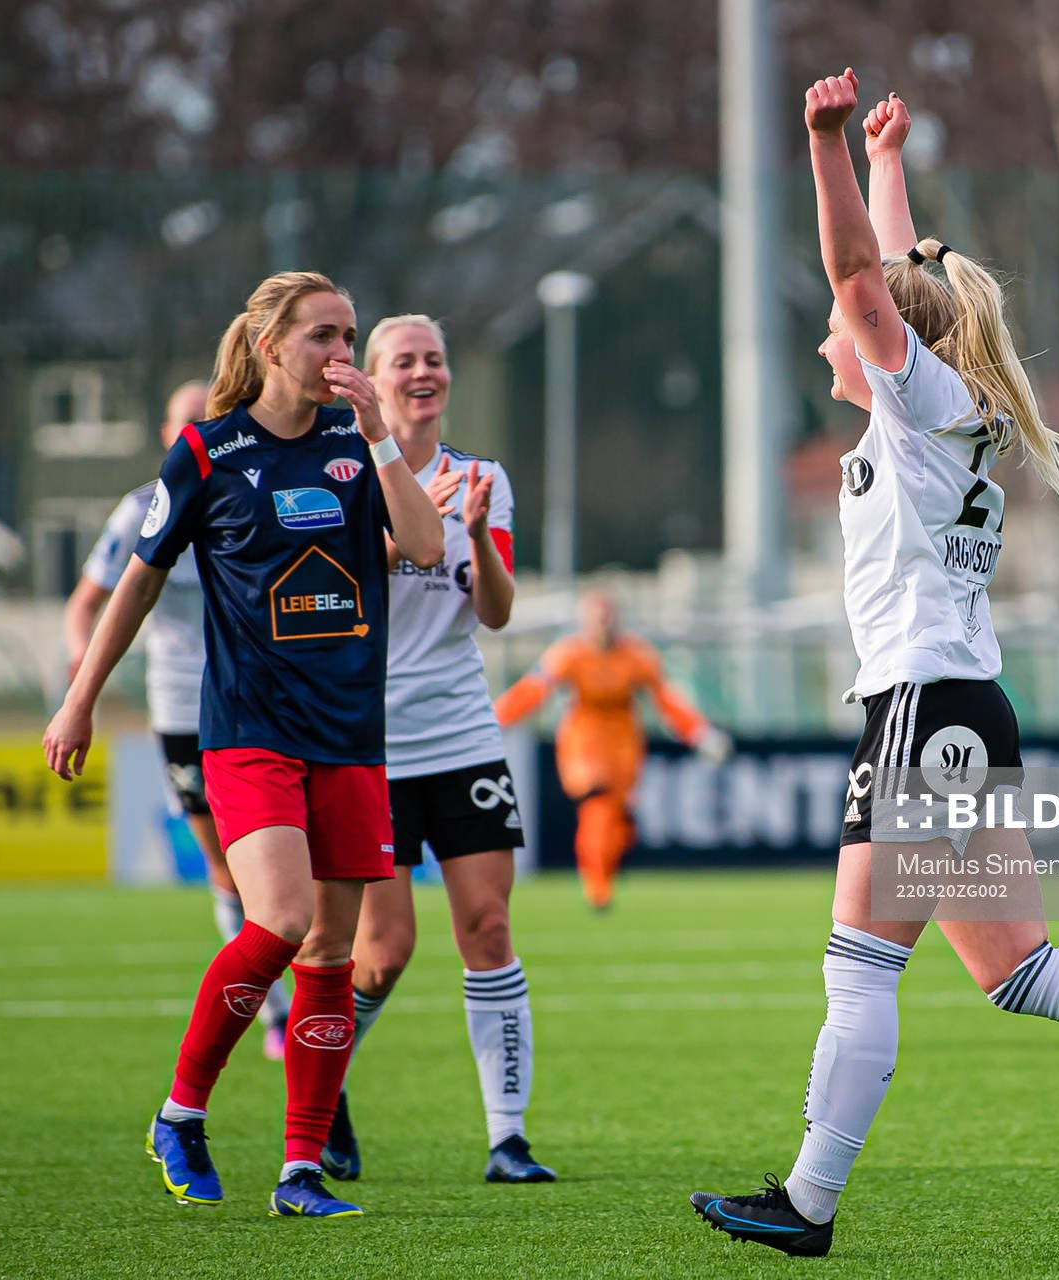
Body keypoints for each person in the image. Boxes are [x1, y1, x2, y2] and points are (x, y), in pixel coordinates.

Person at [688, 75, 1059, 1258]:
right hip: (968, 707)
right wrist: (886, 156)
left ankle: (808, 1201)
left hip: (925, 707)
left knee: (859, 959)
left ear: (889, 341)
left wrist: (820, 147)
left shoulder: (916, 401)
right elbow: (898, 268)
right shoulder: (941, 406)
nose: (829, 330)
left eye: (841, 324)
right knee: (1018, 967)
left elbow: (866, 279)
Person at [43, 270, 447, 1219]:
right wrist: (80, 699)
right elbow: (135, 585)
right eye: (323, 338)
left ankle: (300, 1171)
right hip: (249, 730)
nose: (341, 357)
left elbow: (425, 549)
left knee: (333, 956)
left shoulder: (359, 442)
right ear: (270, 346)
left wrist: (384, 434)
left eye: (350, 338)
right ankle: (182, 1112)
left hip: (350, 734)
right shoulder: (208, 452)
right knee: (277, 919)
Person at [313, 313, 556, 1187]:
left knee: (488, 928)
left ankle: (509, 1138)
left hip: (461, 734)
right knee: (383, 952)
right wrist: (408, 527)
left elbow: (493, 611)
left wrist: (480, 533)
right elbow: (332, 580)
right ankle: (325, 1088)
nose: (425, 372)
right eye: (405, 360)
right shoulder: (341, 472)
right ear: (372, 379)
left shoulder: (481, 476)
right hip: (367, 744)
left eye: (435, 359)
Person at [62, 379, 290, 1062]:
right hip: (180, 703)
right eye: (188, 419)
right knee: (224, 865)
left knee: (281, 875)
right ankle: (274, 1012)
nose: (200, 428)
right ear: (168, 435)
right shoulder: (140, 510)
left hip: (258, 704)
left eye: (211, 418)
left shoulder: (251, 491)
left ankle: (282, 1000)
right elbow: (88, 604)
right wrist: (86, 681)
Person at [493, 589, 730, 911]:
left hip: (623, 746)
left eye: (607, 618)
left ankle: (602, 874)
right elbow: (532, 691)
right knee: (597, 805)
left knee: (617, 822)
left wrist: (700, 733)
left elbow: (667, 701)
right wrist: (495, 719)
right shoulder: (568, 654)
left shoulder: (636, 656)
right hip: (583, 743)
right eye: (596, 619)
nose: (602, 626)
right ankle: (597, 887)